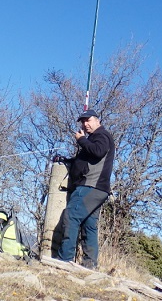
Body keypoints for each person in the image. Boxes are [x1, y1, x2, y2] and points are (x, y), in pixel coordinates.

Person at [54, 108, 115, 269]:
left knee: (71, 216)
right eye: (83, 121)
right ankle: (89, 266)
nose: (85, 124)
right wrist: (68, 160)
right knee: (89, 226)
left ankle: (64, 260)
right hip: (98, 189)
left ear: (97, 121)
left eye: (88, 120)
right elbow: (86, 160)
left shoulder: (102, 135)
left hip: (91, 186)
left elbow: (98, 151)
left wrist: (81, 139)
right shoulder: (93, 139)